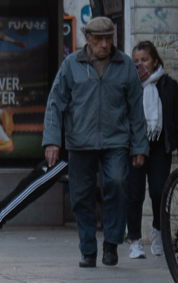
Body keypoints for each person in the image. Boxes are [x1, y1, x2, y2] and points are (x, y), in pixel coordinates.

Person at [44, 14, 148, 269]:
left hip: (116, 140)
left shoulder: (125, 65)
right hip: (80, 141)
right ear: (87, 39)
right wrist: (52, 141)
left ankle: (111, 243)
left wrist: (139, 146)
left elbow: (136, 109)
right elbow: (55, 103)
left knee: (117, 184)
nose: (105, 44)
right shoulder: (71, 65)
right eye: (99, 39)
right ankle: (88, 249)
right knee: (81, 196)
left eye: (109, 39)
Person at [124, 40, 178, 259]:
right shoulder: (128, 86)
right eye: (135, 61)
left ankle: (159, 232)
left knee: (159, 191)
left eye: (144, 60)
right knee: (134, 194)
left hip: (160, 147)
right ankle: (134, 240)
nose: (140, 65)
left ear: (154, 61)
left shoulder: (168, 85)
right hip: (134, 148)